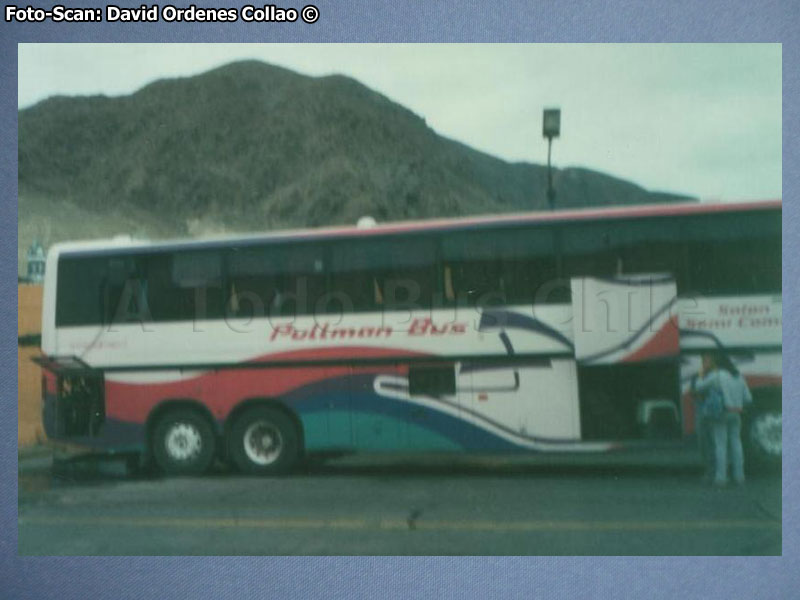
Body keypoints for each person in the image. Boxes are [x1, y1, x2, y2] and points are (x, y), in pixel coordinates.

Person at [693, 352, 753, 486]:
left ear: (718, 363)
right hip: (736, 413)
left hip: (721, 413)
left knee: (720, 445)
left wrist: (701, 373)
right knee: (736, 443)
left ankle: (721, 477)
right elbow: (748, 398)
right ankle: (739, 476)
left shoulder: (717, 375)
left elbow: (698, 387)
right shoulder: (738, 376)